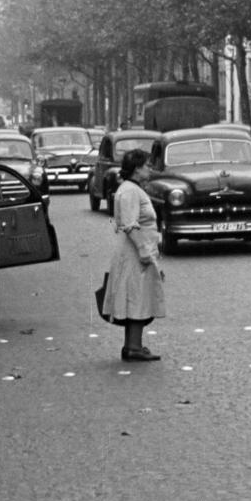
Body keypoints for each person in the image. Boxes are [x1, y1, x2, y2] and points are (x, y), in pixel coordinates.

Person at [101, 148, 165, 362]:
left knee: (138, 296)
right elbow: (129, 225)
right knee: (136, 297)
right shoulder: (130, 191)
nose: (150, 169)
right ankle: (133, 348)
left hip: (137, 250)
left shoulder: (132, 188)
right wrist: (144, 251)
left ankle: (132, 345)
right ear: (137, 169)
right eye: (146, 165)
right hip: (134, 253)